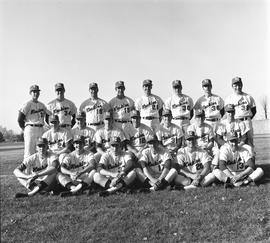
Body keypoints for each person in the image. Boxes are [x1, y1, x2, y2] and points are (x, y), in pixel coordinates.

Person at [18, 85, 51, 158]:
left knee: (41, 151)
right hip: (30, 128)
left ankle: (39, 168)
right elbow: (20, 119)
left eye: (37, 91)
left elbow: (48, 117)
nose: (36, 93)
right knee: (29, 152)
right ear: (30, 93)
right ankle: (28, 169)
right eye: (34, 92)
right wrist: (24, 129)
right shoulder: (27, 104)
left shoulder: (42, 105)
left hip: (41, 129)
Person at [225, 77, 256, 149]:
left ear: (242, 85)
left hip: (246, 121)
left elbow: (254, 110)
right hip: (236, 122)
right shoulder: (229, 98)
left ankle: (251, 158)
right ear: (232, 86)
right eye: (235, 85)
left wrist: (247, 118)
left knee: (250, 144)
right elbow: (226, 112)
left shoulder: (248, 97)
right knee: (236, 142)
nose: (237, 87)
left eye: (239, 85)